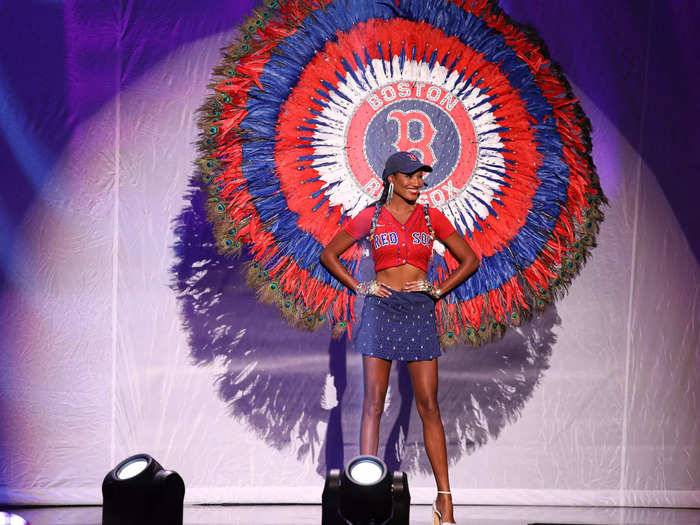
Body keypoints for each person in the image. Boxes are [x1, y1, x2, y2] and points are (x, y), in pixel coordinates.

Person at [320, 151, 479, 524]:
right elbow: (329, 254)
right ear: (391, 178)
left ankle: (445, 502)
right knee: (374, 403)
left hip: (419, 312)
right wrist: (361, 286)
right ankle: (366, 496)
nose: (417, 182)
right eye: (410, 176)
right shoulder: (372, 217)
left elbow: (470, 260)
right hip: (380, 311)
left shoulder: (432, 217)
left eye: (421, 177)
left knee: (429, 406)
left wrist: (439, 290)